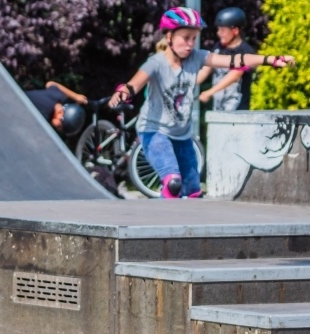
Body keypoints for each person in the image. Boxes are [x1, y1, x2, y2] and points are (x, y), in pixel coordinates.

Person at [109, 6, 294, 198]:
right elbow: (135, 83)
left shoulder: (197, 57)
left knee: (193, 191)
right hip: (154, 132)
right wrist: (123, 92)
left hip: (181, 135)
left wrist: (270, 59)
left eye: (194, 38)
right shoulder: (156, 63)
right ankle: (161, 221)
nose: (190, 44)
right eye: (185, 38)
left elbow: (236, 60)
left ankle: (180, 224)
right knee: (173, 182)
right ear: (170, 36)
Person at [196, 7, 256, 111]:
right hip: (218, 109)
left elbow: (235, 74)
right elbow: (206, 69)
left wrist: (210, 92)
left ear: (235, 31)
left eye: (223, 30)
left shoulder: (246, 51)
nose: (219, 33)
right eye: (218, 29)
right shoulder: (218, 48)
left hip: (237, 111)